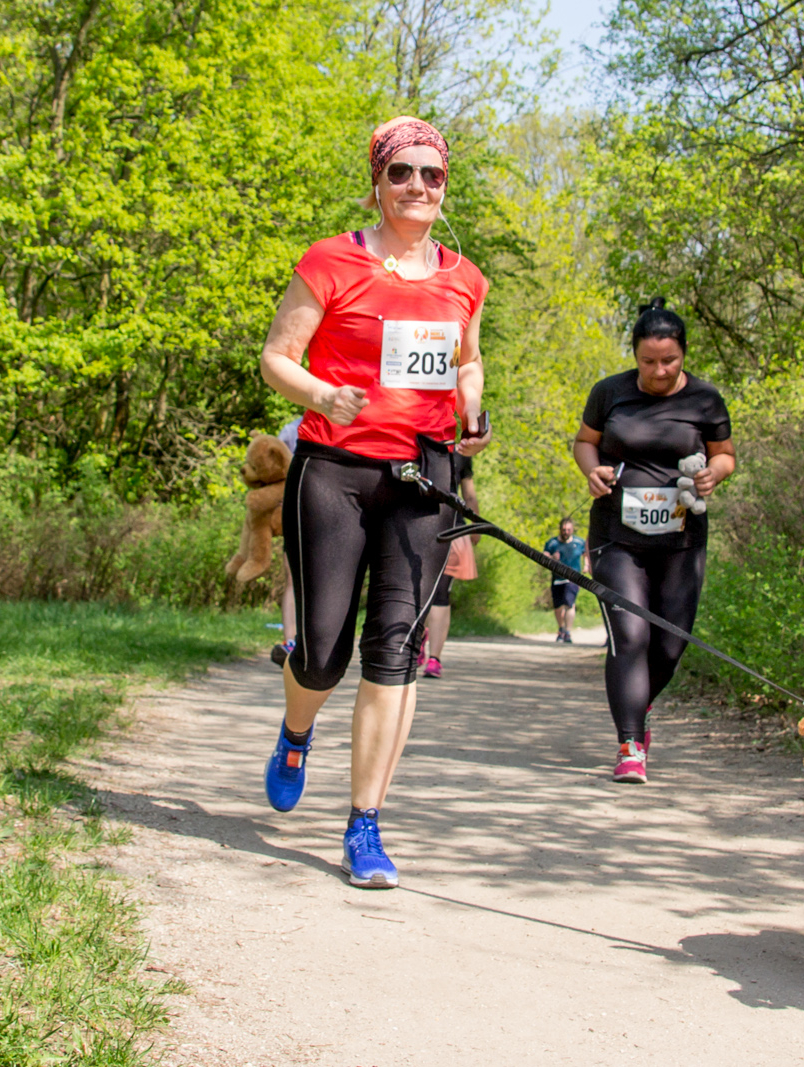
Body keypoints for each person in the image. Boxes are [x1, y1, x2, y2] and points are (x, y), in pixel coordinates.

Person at [257, 115, 491, 887]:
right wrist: (325, 391)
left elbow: (469, 363)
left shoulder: (466, 278)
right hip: (334, 467)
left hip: (423, 475)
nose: (419, 187)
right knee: (322, 653)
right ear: (378, 181)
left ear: (445, 186)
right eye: (403, 173)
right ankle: (297, 729)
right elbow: (276, 358)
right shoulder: (330, 262)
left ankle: (366, 824)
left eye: (433, 175)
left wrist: (473, 410)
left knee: (397, 648)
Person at [573, 298, 734, 784]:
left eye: (669, 361)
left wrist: (713, 475)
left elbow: (725, 454)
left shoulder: (705, 400)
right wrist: (592, 469)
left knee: (668, 644)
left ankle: (637, 715)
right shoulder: (610, 393)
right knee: (631, 634)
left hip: (682, 538)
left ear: (683, 354)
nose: (659, 371)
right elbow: (584, 441)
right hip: (616, 535)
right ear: (635, 355)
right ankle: (629, 743)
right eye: (648, 362)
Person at [421, 451, 478, 678]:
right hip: (432, 527)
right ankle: (426, 645)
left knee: (435, 593)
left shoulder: (457, 453)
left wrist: (473, 524)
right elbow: (469, 495)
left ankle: (433, 656)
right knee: (430, 592)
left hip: (444, 527)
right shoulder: (460, 452)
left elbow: (470, 495)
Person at [269, 415, 304, 668]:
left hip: (332, 516)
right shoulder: (291, 430)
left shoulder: (343, 422)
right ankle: (290, 641)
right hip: (296, 513)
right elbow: (273, 474)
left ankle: (311, 641)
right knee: (293, 579)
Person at [542, 517, 587, 643]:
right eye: (563, 529)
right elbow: (543, 557)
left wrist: (587, 566)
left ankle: (568, 631)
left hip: (573, 578)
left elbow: (586, 554)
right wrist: (552, 558)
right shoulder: (552, 543)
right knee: (558, 606)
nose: (566, 532)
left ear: (572, 530)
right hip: (557, 578)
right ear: (560, 530)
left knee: (569, 603)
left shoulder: (579, 542)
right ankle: (561, 629)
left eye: (568, 529)